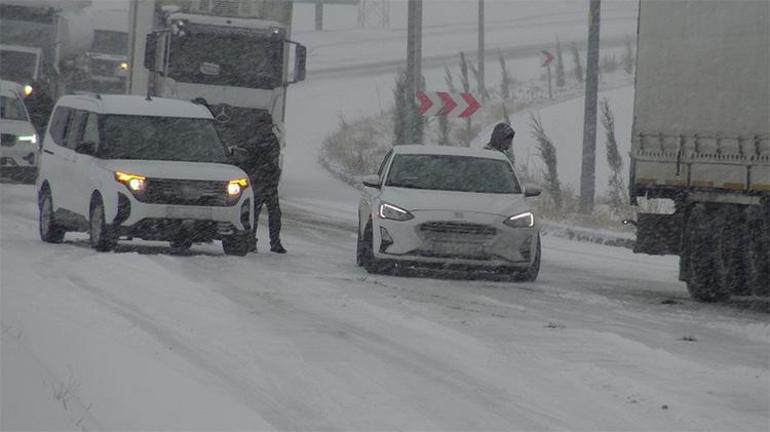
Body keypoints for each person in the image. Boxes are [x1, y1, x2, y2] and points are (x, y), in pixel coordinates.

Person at [239, 114, 286, 254]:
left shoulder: (264, 140)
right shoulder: (257, 141)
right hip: (260, 182)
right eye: (264, 125)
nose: (266, 128)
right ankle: (253, 241)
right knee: (256, 214)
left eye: (267, 125)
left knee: (272, 214)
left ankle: (270, 242)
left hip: (265, 183)